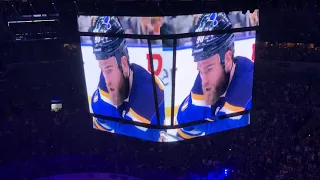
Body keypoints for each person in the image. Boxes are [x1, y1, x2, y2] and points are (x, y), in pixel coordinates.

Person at [176, 13, 253, 139]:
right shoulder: (199, 94)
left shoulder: (249, 90)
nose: (203, 81)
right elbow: (184, 128)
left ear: (227, 59)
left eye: (208, 69)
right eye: (200, 70)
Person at [89, 16, 166, 142]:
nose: (106, 79)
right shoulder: (103, 89)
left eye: (108, 69)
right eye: (102, 69)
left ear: (124, 64)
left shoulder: (151, 93)